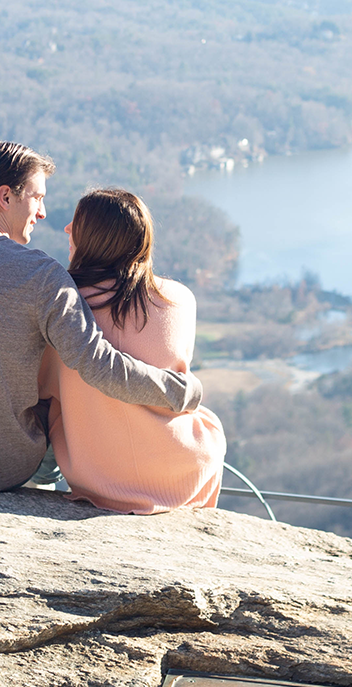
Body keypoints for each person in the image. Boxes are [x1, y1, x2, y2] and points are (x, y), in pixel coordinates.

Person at [0, 142, 204, 492]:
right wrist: (182, 392)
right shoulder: (41, 275)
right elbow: (100, 367)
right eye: (37, 197)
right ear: (5, 197)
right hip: (8, 468)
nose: (42, 213)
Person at [38, 188, 226, 513]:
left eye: (77, 223)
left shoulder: (63, 307)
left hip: (94, 473)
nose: (67, 229)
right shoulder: (179, 300)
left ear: (96, 238)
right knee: (207, 423)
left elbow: (41, 386)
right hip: (179, 469)